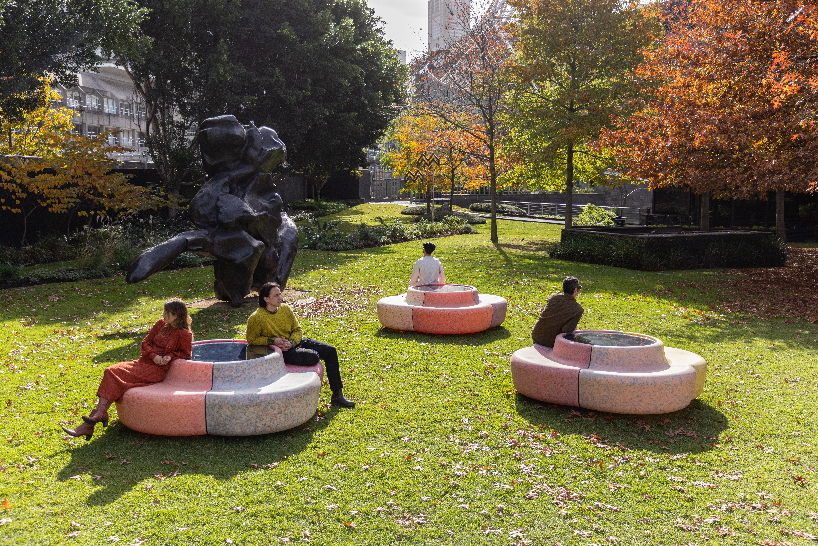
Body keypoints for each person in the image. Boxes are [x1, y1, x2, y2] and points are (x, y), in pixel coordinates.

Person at [62, 299, 193, 440]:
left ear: (176, 316)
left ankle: (97, 416)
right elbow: (145, 343)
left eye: (167, 313)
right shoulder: (160, 324)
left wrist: (169, 356)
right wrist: (154, 355)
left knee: (113, 373)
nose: (163, 315)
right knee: (111, 370)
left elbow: (186, 354)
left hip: (155, 371)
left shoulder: (184, 334)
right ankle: (97, 416)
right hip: (143, 362)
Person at [246, 282, 355, 408]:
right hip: (281, 352)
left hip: (294, 343)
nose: (280, 297)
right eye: (276, 295)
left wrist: (291, 342)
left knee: (330, 351)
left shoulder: (285, 309)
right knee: (313, 357)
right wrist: (273, 341)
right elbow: (252, 339)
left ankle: (337, 395)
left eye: (280, 294)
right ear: (266, 299)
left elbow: (297, 330)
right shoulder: (256, 317)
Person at [531, 276, 584, 348]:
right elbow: (566, 330)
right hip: (550, 342)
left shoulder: (553, 297)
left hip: (536, 335)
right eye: (579, 289)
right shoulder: (578, 309)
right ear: (575, 290)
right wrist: (573, 328)